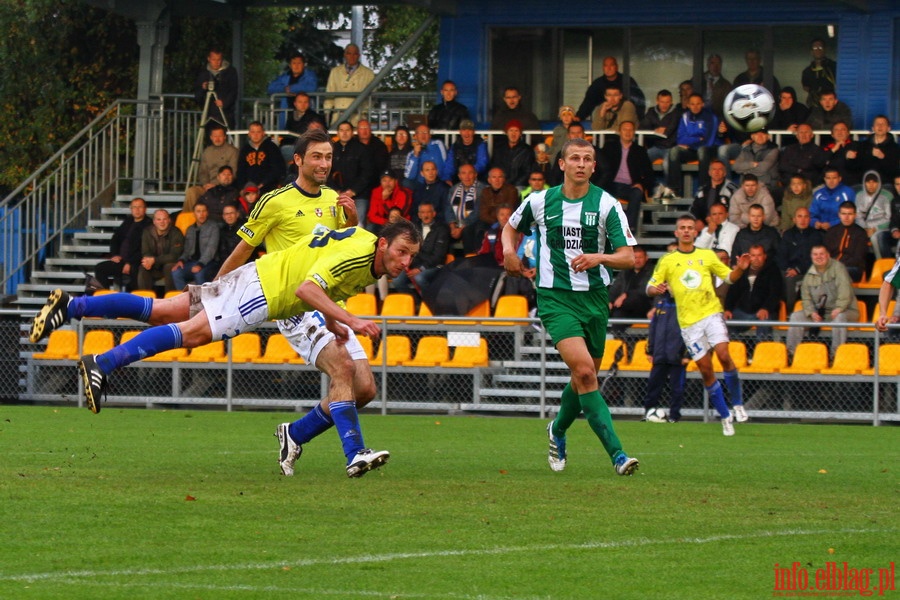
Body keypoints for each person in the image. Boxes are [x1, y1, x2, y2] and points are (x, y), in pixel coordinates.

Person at [32, 222, 421, 479]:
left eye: (411, 257)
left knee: (162, 311)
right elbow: (303, 284)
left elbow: (322, 282)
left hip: (264, 285)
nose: (406, 263)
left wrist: (336, 321)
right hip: (265, 290)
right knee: (193, 334)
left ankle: (73, 306)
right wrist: (351, 321)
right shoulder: (337, 237)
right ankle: (103, 361)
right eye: (402, 252)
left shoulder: (359, 240)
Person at [501, 136, 640, 476]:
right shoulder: (540, 200)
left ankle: (557, 429)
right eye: (574, 157)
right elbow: (510, 228)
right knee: (585, 372)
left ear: (594, 166)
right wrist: (508, 250)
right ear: (561, 164)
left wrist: (600, 257)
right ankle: (618, 454)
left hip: (594, 299)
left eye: (587, 158)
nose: (581, 163)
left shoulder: (606, 204)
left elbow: (628, 257)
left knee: (583, 379)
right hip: (555, 297)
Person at [647, 214, 752, 436]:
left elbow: (730, 278)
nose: (686, 231)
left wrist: (741, 268)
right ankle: (725, 417)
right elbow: (650, 285)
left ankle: (738, 404)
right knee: (706, 370)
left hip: (711, 314)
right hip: (688, 324)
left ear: (696, 232)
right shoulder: (667, 260)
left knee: (724, 355)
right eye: (682, 228)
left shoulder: (707, 255)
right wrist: (653, 290)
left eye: (690, 228)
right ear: (676, 233)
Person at [786, 245, 859, 356]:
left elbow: (845, 291)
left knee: (840, 318)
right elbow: (805, 298)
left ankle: (836, 355)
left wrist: (839, 308)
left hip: (846, 311)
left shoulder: (838, 268)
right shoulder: (809, 274)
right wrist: (811, 312)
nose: (818, 257)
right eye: (815, 254)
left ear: (828, 255)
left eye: (821, 254)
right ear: (811, 256)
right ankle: (791, 354)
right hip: (821, 313)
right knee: (795, 317)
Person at [641, 289, 688, 423]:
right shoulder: (661, 303)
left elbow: (691, 330)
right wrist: (650, 351)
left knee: (677, 388)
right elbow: (653, 329)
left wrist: (687, 354)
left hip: (677, 355)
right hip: (660, 353)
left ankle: (674, 415)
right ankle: (649, 412)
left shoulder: (685, 304)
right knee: (653, 385)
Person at [600, 120, 654, 231]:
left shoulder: (640, 150)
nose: (628, 132)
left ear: (634, 132)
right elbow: (600, 168)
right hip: (611, 185)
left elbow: (649, 173)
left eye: (630, 130)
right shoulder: (610, 147)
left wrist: (641, 184)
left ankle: (628, 228)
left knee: (637, 192)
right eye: (625, 129)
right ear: (619, 131)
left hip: (630, 186)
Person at [391, 202, 450, 297]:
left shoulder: (442, 229)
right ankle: (414, 303)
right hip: (415, 264)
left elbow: (438, 256)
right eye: (422, 212)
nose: (425, 215)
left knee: (419, 278)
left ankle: (430, 302)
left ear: (434, 214)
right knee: (397, 280)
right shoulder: (414, 228)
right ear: (419, 215)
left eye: (428, 212)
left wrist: (420, 268)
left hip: (434, 266)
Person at [724, 244, 784, 338]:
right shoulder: (742, 270)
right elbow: (733, 292)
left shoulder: (773, 270)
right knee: (724, 323)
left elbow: (775, 294)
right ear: (749, 256)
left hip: (764, 310)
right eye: (753, 255)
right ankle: (736, 350)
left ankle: (762, 351)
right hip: (743, 310)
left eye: (759, 255)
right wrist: (727, 309)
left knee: (764, 322)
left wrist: (766, 308)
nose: (756, 258)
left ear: (765, 256)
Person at [666, 93, 719, 197]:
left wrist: (690, 144)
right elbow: (680, 139)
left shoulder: (710, 117)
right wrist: (697, 139)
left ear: (702, 104)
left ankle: (703, 189)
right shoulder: (685, 117)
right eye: (692, 104)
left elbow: (709, 141)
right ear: (688, 105)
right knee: (674, 151)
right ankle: (675, 190)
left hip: (709, 149)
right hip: (692, 149)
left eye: (698, 104)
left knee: (702, 150)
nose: (695, 106)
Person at [93, 198, 152, 291]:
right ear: (130, 209)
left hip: (137, 262)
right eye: (134, 207)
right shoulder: (128, 221)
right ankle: (104, 298)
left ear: (145, 209)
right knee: (100, 268)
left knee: (136, 272)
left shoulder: (149, 225)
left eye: (140, 207)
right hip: (121, 260)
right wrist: (115, 255)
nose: (137, 210)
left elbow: (145, 249)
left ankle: (133, 302)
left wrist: (129, 263)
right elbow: (115, 239)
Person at [183, 124, 239, 213]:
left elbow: (233, 173)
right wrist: (205, 184)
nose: (217, 139)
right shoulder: (207, 151)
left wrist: (216, 185)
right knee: (192, 191)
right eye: (215, 136)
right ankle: (189, 219)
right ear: (211, 137)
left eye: (220, 136)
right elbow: (203, 172)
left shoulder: (232, 151)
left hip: (223, 187)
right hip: (207, 187)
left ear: (225, 137)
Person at [329, 121, 376, 226]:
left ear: (352, 132)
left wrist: (352, 191)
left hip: (358, 195)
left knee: (358, 224)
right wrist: (336, 191)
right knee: (332, 223)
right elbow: (326, 173)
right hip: (336, 194)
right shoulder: (331, 149)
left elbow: (367, 174)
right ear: (337, 133)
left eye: (347, 130)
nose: (344, 133)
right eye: (341, 130)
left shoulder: (362, 149)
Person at [777, 207, 823, 310]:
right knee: (783, 277)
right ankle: (785, 310)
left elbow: (816, 258)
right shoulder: (787, 235)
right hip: (789, 270)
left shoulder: (816, 235)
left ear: (810, 219)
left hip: (809, 271)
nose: (803, 220)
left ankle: (796, 310)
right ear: (794, 219)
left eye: (806, 217)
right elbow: (781, 256)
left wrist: (798, 269)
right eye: (800, 216)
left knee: (791, 279)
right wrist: (789, 269)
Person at [575, 56, 646, 122]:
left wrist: (638, 120)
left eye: (611, 65)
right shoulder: (597, 84)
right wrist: (579, 116)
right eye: (606, 66)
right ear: (603, 68)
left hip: (626, 120)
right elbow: (588, 102)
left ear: (616, 67)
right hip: (606, 119)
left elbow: (638, 101)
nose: (608, 68)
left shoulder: (627, 81)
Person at [323, 43, 375, 125]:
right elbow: (329, 93)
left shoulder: (368, 73)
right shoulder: (335, 71)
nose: (352, 56)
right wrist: (327, 112)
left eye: (355, 54)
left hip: (358, 117)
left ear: (359, 55)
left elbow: (372, 97)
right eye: (349, 53)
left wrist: (364, 111)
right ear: (345, 55)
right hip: (338, 116)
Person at [171, 202, 220, 289]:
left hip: (208, 263)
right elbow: (186, 250)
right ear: (194, 213)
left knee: (198, 273)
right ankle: (185, 299)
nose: (201, 214)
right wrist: (181, 260)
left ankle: (201, 301)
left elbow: (211, 250)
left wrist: (200, 264)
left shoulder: (213, 227)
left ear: (207, 213)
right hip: (192, 262)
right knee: (176, 272)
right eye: (198, 211)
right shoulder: (190, 229)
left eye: (204, 211)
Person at [267, 52, 318, 130]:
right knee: (285, 138)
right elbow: (270, 88)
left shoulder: (310, 75)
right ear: (290, 65)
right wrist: (284, 89)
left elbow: (312, 87)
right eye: (294, 63)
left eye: (299, 63)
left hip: (305, 113)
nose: (296, 66)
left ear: (304, 64)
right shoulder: (285, 76)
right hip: (287, 112)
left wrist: (291, 89)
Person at [137, 209, 184, 293]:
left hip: (168, 265)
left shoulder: (176, 232)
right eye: (159, 219)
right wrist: (148, 261)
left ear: (169, 220)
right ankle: (145, 300)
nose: (162, 222)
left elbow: (174, 256)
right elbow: (145, 251)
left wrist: (154, 260)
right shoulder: (147, 232)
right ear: (154, 221)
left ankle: (169, 300)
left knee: (170, 266)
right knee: (143, 267)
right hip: (154, 266)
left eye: (164, 219)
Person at [193, 47, 239, 131]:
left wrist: (224, 103)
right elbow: (197, 96)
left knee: (227, 140)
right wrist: (203, 88)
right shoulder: (203, 73)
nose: (216, 63)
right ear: (209, 59)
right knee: (211, 141)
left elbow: (234, 91)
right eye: (214, 59)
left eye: (219, 60)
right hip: (209, 115)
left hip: (225, 114)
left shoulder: (230, 72)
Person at [607, 245, 653, 327]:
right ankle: (619, 338)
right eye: (635, 257)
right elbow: (616, 287)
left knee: (624, 304)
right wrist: (610, 300)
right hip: (625, 308)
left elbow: (644, 290)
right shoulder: (626, 271)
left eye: (640, 257)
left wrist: (626, 294)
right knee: (617, 312)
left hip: (645, 306)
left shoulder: (652, 271)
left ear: (646, 258)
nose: (637, 260)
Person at [446, 164, 486, 255]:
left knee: (468, 231)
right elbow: (448, 209)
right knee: (442, 231)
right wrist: (453, 227)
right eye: (463, 173)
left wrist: (461, 228)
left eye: (470, 173)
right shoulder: (454, 189)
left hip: (471, 223)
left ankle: (469, 259)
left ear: (475, 174)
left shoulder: (482, 189)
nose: (467, 176)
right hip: (455, 224)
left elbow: (477, 212)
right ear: (459, 176)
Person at [846, 115, 900, 184]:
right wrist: (849, 158)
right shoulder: (862, 146)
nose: (880, 126)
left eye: (883, 124)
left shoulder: (894, 148)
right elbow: (853, 168)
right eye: (877, 124)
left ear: (888, 128)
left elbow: (894, 171)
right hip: (864, 184)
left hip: (885, 185)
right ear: (873, 128)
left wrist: (883, 158)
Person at [236, 122, 286, 195]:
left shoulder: (272, 148)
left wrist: (263, 184)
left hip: (269, 187)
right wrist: (242, 188)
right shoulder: (245, 149)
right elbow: (241, 171)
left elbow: (277, 169)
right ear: (249, 134)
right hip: (249, 190)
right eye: (253, 132)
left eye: (258, 132)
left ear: (263, 133)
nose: (255, 135)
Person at [823, 201, 868, 282]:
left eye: (850, 214)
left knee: (837, 273)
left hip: (853, 269)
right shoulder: (832, 231)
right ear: (839, 214)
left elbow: (858, 258)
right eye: (843, 214)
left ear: (855, 215)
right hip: (832, 267)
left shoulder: (861, 233)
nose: (846, 217)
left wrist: (837, 266)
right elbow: (825, 253)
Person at [854, 171, 893, 259]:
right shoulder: (859, 196)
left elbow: (889, 217)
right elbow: (857, 216)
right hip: (863, 227)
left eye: (874, 182)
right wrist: (865, 228)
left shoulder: (887, 195)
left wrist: (875, 228)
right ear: (864, 183)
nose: (871, 185)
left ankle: (881, 264)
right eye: (868, 182)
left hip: (882, 227)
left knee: (875, 237)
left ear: (879, 183)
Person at [689, 159, 738, 227]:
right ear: (709, 172)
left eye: (720, 169)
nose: (716, 172)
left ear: (725, 173)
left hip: (725, 226)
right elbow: (693, 209)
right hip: (704, 226)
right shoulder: (702, 190)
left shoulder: (732, 189)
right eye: (714, 169)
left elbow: (735, 212)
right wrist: (698, 220)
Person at [280, 92, 327, 160]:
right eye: (300, 102)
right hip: (293, 144)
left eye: (306, 102)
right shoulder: (291, 117)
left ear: (309, 104)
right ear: (295, 103)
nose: (303, 105)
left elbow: (323, 133)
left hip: (306, 147)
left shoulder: (315, 117)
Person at [639, 89, 681, 166]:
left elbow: (668, 131)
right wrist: (655, 131)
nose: (664, 105)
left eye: (667, 102)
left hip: (670, 148)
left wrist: (655, 132)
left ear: (671, 102)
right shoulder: (651, 111)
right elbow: (643, 127)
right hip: (656, 147)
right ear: (657, 101)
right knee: (641, 160)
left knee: (666, 164)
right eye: (662, 102)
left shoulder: (676, 112)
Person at [441, 119, 489, 184]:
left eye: (469, 130)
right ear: (460, 132)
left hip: (478, 179)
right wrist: (447, 178)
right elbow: (449, 165)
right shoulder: (455, 146)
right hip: (459, 180)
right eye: (464, 130)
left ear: (473, 132)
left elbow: (482, 163)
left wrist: (468, 174)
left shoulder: (480, 144)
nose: (467, 133)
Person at [778, 123, 826, 187]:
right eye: (801, 132)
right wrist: (798, 170)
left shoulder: (817, 150)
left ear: (812, 135)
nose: (803, 135)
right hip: (788, 183)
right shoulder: (789, 149)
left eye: (806, 132)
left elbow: (811, 167)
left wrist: (796, 168)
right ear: (797, 135)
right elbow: (783, 166)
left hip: (808, 184)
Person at [489, 120, 534, 188]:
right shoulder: (499, 149)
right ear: (506, 132)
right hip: (500, 183)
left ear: (520, 133)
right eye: (511, 130)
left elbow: (527, 172)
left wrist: (511, 185)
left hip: (518, 185)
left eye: (516, 131)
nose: (513, 134)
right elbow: (494, 167)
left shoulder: (527, 150)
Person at [367, 170, 412, 234]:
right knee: (370, 228)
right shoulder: (376, 192)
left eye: (390, 180)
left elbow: (396, 215)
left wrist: (384, 200)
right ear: (380, 182)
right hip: (382, 223)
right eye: (384, 181)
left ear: (396, 181)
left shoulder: (403, 193)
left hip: (400, 224)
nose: (387, 183)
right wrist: (385, 222)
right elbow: (372, 215)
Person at [479, 168, 520, 233]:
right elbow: (483, 214)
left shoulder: (511, 190)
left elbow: (508, 210)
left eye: (500, 177)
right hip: (489, 221)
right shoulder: (485, 192)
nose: (497, 180)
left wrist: (499, 219)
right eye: (494, 177)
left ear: (504, 179)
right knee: (474, 230)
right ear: (489, 180)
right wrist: (495, 220)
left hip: (506, 220)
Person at [801, 39, 837, 109]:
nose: (818, 50)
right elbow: (805, 87)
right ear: (811, 52)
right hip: (814, 106)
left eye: (820, 47)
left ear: (825, 50)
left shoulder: (833, 66)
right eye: (815, 48)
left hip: (830, 105)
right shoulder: (807, 71)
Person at [821, 121, 860, 186]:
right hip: (830, 185)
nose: (840, 132)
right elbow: (820, 163)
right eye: (836, 130)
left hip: (851, 184)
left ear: (848, 133)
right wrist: (834, 150)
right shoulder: (826, 148)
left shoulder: (856, 145)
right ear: (832, 134)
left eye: (843, 129)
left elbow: (858, 166)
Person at [357, 119, 390, 187]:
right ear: (357, 131)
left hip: (375, 181)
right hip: (356, 181)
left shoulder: (379, 145)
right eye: (361, 128)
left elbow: (383, 166)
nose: (364, 131)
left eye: (366, 128)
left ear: (370, 130)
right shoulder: (353, 144)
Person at [702, 54, 731, 118]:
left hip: (716, 116)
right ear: (708, 65)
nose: (716, 66)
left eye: (718, 63)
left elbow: (727, 105)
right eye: (712, 63)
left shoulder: (726, 85)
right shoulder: (699, 79)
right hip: (699, 113)